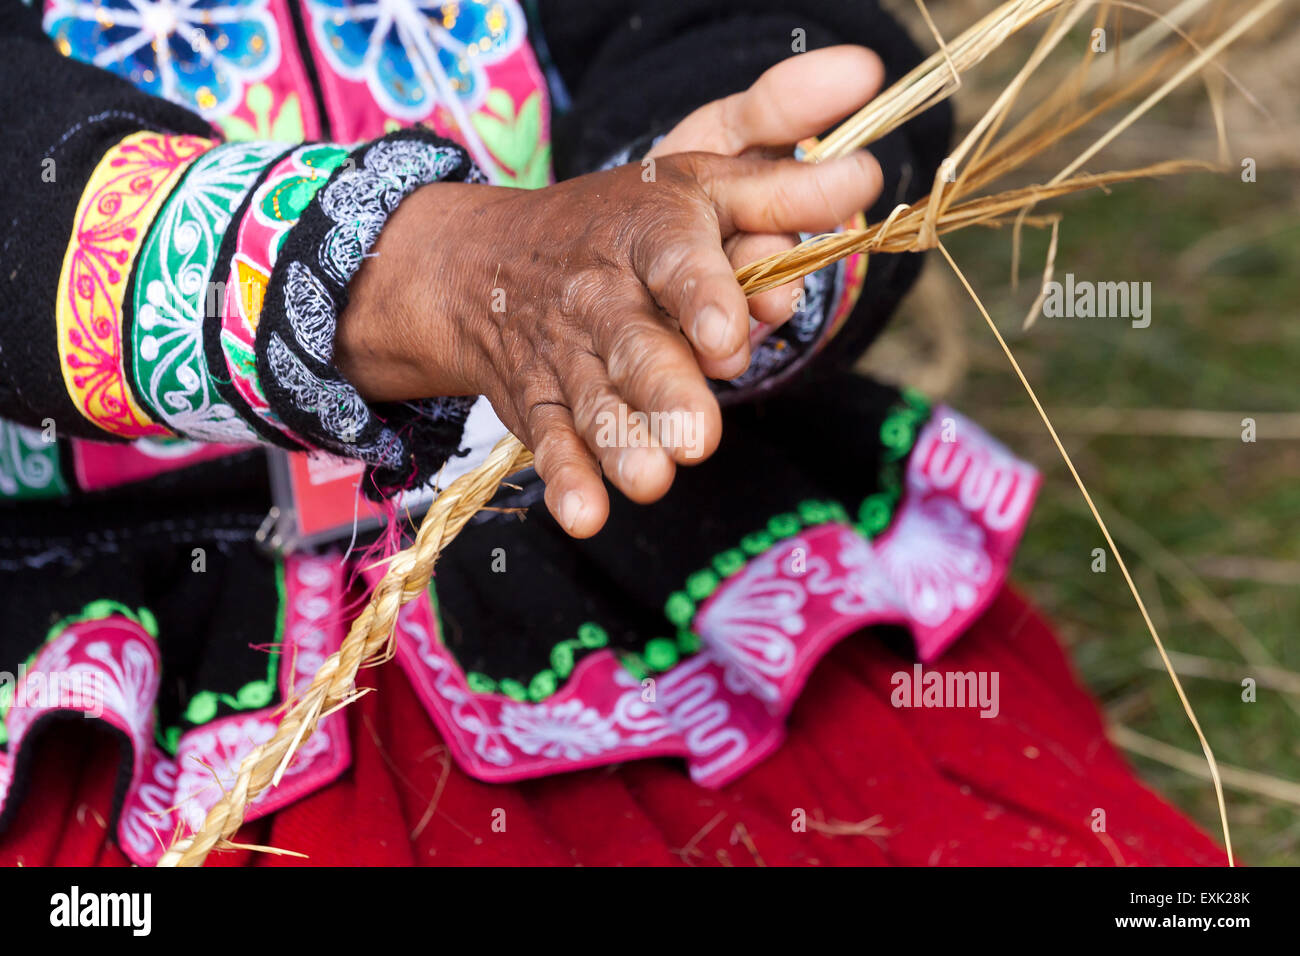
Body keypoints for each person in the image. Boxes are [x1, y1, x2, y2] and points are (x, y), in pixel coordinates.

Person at [0, 0, 1223, 866]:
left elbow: (761, 34)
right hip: (111, 647)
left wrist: (716, 225)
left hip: (616, 567)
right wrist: (429, 271)